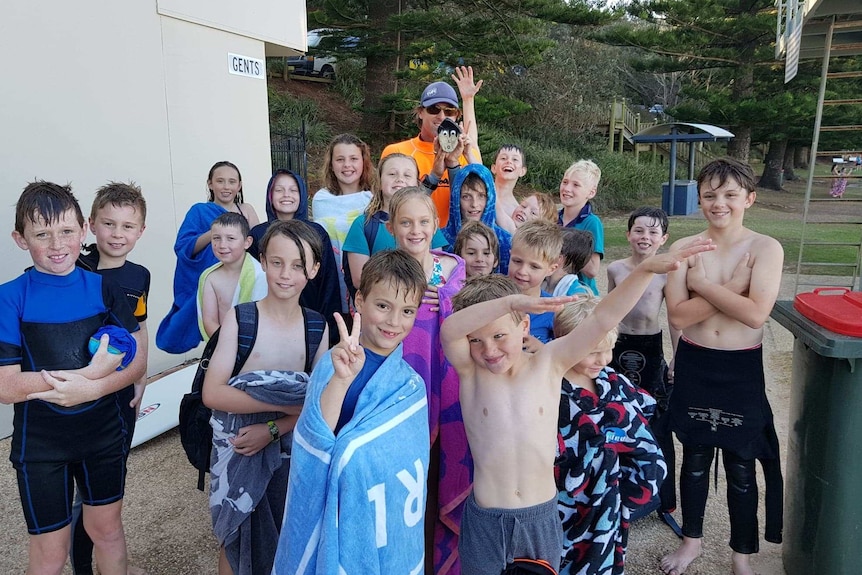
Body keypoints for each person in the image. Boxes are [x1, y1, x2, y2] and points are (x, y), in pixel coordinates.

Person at [439, 236, 712, 575]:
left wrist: (643, 270)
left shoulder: (549, 363)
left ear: (524, 326)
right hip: (486, 519)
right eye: (476, 340)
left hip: (539, 516)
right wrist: (509, 303)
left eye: (498, 336)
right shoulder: (471, 373)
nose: (489, 350)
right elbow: (451, 329)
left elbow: (602, 318)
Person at [0, 181, 147, 575]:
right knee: (50, 554)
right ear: (20, 239)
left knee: (108, 531)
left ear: (83, 230)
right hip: (41, 446)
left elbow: (135, 362)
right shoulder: (10, 297)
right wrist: (84, 376)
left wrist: (95, 388)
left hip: (102, 434)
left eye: (66, 231)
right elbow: (7, 386)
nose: (56, 244)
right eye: (41, 234)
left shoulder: (105, 288)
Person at [661, 158, 784, 575]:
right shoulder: (683, 248)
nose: (720, 203)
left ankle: (741, 556)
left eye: (730, 195)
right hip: (697, 362)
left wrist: (702, 284)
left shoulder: (765, 248)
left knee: (741, 464)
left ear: (748, 198)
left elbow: (754, 315)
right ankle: (691, 542)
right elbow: (678, 317)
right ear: (699, 201)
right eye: (710, 195)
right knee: (693, 457)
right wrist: (731, 287)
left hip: (740, 368)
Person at [272, 250, 430, 575]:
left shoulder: (410, 385)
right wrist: (342, 380)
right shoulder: (335, 363)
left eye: (407, 311)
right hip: (337, 508)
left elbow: (409, 465)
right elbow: (315, 439)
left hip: (387, 519)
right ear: (359, 300)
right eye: (383, 306)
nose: (394, 321)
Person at [203, 219, 328, 575]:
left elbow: (317, 405)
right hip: (237, 448)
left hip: (287, 454)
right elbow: (214, 392)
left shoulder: (316, 327)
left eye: (298, 265)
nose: (286, 274)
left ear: (314, 269)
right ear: (262, 261)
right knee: (235, 535)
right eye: (277, 262)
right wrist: (283, 406)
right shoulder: (241, 320)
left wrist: (273, 428)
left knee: (284, 535)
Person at [554, 295, 667, 575]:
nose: (602, 359)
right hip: (566, 510)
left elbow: (643, 430)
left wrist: (622, 492)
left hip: (609, 507)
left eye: (608, 350)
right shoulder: (550, 389)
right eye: (592, 351)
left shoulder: (614, 382)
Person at [387, 186, 468, 574]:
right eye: (406, 222)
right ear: (391, 227)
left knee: (437, 481)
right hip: (402, 394)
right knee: (403, 486)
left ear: (436, 225)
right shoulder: (384, 271)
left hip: (448, 390)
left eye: (423, 222)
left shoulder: (453, 267)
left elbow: (470, 317)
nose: (415, 230)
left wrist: (448, 301)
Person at [73, 181, 151, 575]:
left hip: (119, 391)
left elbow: (139, 328)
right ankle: (84, 567)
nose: (117, 234)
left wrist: (142, 374)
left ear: (140, 231)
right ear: (91, 225)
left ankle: (110, 562)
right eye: (109, 224)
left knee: (110, 481)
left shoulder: (140, 275)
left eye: (127, 226)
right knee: (82, 493)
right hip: (79, 389)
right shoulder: (74, 266)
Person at [606, 206, 678, 524]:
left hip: (651, 348)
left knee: (658, 423)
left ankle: (665, 498)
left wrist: (678, 357)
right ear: (628, 235)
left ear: (663, 239)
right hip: (620, 347)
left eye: (652, 232)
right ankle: (625, 492)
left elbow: (675, 319)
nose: (644, 237)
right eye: (639, 230)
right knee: (619, 418)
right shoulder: (617, 269)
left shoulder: (666, 272)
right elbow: (608, 311)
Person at [157, 161, 260, 354]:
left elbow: (257, 242)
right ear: (210, 184)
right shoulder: (199, 211)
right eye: (220, 181)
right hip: (215, 280)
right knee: (216, 325)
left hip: (242, 278)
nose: (226, 187)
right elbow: (183, 247)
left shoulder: (246, 210)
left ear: (239, 185)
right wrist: (214, 230)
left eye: (232, 181)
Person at [247, 169, 342, 346]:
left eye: (293, 190)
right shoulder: (258, 234)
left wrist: (330, 331)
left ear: (302, 195)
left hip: (311, 319)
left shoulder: (317, 233)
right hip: (268, 324)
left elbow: (328, 282)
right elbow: (250, 280)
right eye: (279, 190)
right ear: (270, 195)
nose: (286, 195)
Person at [380, 66, 483, 227]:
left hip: (455, 241)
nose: (441, 116)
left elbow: (483, 192)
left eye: (449, 111)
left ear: (456, 116)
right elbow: (390, 202)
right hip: (413, 237)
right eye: (434, 109)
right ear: (421, 112)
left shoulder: (464, 153)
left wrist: (468, 100)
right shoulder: (398, 152)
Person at [342, 153, 448, 291]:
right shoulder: (363, 225)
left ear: (417, 184)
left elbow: (437, 269)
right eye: (392, 174)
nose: (400, 179)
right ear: (379, 182)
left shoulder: (427, 223)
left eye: (407, 175)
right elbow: (360, 280)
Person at [312, 133, 377, 311]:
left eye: (354, 159)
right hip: (329, 280)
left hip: (365, 281)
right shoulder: (321, 200)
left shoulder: (374, 199)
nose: (347, 165)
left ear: (363, 163)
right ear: (331, 165)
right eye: (340, 159)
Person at [197, 212, 267, 340]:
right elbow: (209, 320)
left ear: (247, 242)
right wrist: (226, 347)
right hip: (221, 343)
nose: (223, 245)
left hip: (257, 347)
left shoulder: (260, 276)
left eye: (231, 238)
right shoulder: (210, 278)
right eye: (216, 238)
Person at [442, 163, 512, 274]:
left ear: (490, 198)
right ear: (456, 199)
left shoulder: (505, 242)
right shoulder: (441, 241)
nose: (474, 204)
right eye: (466, 196)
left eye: (481, 196)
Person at [507, 220, 563, 345]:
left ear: (551, 269)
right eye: (517, 261)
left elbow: (563, 355)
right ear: (510, 255)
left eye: (534, 267)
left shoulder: (553, 311)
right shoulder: (490, 297)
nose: (522, 271)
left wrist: (542, 349)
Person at [557, 160, 604, 295]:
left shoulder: (591, 222)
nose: (567, 188)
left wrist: (562, 242)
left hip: (580, 295)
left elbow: (592, 270)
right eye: (565, 182)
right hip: (555, 291)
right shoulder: (552, 218)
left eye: (576, 185)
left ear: (591, 192)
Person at [544, 228, 593, 298]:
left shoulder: (576, 296)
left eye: (547, 248)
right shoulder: (540, 284)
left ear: (559, 258)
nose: (542, 252)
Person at [491, 144, 527, 217]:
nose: (509, 162)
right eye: (503, 158)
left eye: (515, 159)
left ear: (522, 171)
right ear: (494, 168)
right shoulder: (480, 194)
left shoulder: (516, 211)